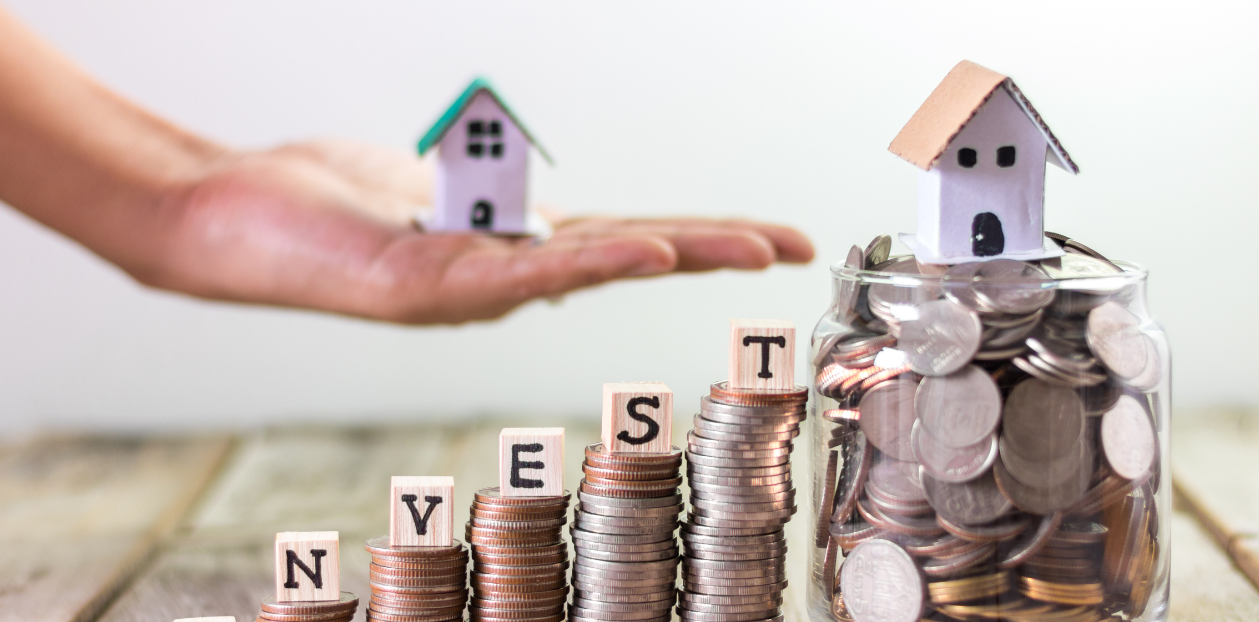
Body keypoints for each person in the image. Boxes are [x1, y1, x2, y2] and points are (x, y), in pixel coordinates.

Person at [0, 9, 813, 325]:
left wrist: (180, 193)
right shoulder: (464, 148)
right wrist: (178, 194)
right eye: (484, 143)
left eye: (492, 143)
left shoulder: (488, 148)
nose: (490, 149)